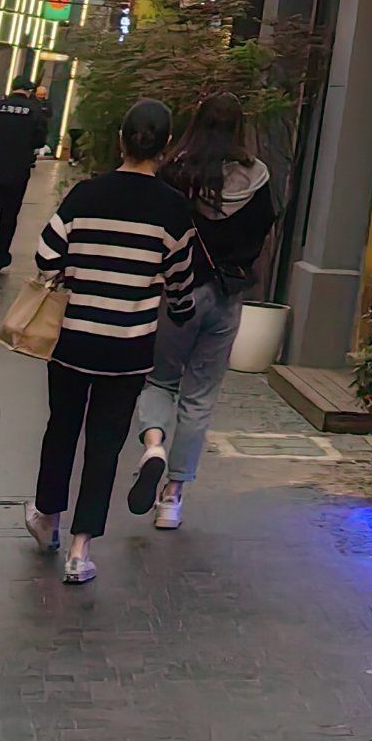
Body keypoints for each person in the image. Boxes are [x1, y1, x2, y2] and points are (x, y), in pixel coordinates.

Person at [27, 99, 194, 585]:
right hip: (128, 345)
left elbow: (45, 256)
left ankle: (47, 517)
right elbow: (181, 283)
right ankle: (81, 549)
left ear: (121, 139)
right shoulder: (172, 209)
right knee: (105, 443)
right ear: (165, 146)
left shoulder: (85, 195)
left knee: (62, 427)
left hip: (74, 338)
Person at [128, 93, 276, 531]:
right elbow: (263, 232)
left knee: (160, 379)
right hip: (227, 296)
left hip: (177, 293)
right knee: (200, 395)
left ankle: (154, 445)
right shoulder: (257, 177)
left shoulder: (177, 171)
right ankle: (173, 497)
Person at [0, 75, 50, 270]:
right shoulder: (35, 111)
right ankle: (0, 256)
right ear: (29, 91)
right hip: (18, 171)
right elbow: (40, 141)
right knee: (9, 215)